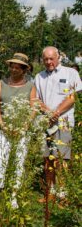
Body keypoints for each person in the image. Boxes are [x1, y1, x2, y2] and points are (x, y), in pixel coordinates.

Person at [31, 46, 81, 200]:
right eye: (45, 59)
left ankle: (63, 194)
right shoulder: (39, 77)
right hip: (45, 122)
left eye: (51, 58)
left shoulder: (70, 73)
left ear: (58, 57)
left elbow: (72, 98)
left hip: (63, 122)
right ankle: (50, 193)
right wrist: (47, 112)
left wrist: (56, 113)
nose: (48, 62)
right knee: (47, 160)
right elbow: (34, 99)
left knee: (62, 160)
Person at [0, 53, 34, 209]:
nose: (13, 69)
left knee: (19, 161)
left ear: (24, 70)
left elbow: (33, 109)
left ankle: (13, 196)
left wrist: (24, 126)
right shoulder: (2, 83)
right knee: (0, 160)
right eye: (12, 66)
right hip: (4, 129)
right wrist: (3, 125)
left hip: (22, 129)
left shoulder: (30, 86)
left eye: (17, 67)